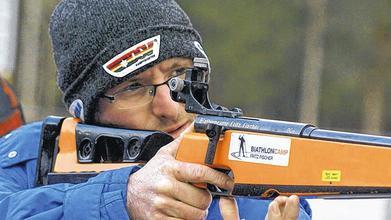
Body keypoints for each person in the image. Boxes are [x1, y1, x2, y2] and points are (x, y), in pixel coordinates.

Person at [0, 0, 312, 219]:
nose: (168, 105)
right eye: (134, 86)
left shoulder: (255, 173)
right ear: (86, 111)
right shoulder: (29, 156)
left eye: (178, 74)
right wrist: (122, 201)